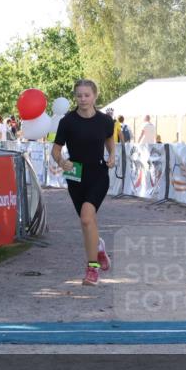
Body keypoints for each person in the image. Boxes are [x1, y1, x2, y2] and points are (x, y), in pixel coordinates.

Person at [51, 79, 115, 286]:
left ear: (95, 96)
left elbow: (110, 140)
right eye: (79, 95)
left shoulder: (105, 120)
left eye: (87, 95)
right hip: (75, 176)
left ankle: (92, 268)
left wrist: (112, 155)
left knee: (87, 219)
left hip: (98, 173)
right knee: (88, 221)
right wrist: (61, 161)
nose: (83, 99)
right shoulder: (67, 122)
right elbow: (56, 150)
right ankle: (99, 247)